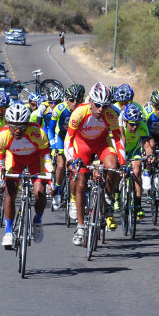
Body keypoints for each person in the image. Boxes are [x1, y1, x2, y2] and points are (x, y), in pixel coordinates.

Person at [64, 82, 125, 246]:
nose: (100, 109)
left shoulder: (111, 114)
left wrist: (123, 162)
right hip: (81, 144)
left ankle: (108, 197)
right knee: (81, 181)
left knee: (113, 167)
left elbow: (118, 139)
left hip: (101, 143)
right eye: (97, 105)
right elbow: (68, 139)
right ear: (90, 101)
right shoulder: (79, 112)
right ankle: (81, 226)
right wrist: (70, 160)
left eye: (104, 106)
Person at [0, 103, 52, 247]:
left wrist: (50, 180)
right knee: (10, 192)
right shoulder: (1, 137)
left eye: (22, 126)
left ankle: (37, 221)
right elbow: (0, 164)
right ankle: (8, 231)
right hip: (15, 160)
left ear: (28, 124)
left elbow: (46, 158)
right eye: (14, 126)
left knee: (40, 193)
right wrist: (1, 181)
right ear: (7, 124)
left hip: (35, 160)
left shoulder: (38, 132)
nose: (18, 130)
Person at [47, 83, 85, 209]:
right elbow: (51, 130)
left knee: (77, 166)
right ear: (66, 99)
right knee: (61, 164)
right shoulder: (59, 109)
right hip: (61, 137)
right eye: (71, 100)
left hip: (76, 138)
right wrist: (53, 147)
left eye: (78, 100)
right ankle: (57, 190)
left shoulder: (84, 109)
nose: (74, 103)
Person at [119, 103, 154, 219]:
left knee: (137, 170)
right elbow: (121, 143)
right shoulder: (120, 126)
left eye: (137, 124)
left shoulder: (142, 126)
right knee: (116, 172)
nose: (135, 127)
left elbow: (147, 144)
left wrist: (150, 155)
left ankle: (138, 204)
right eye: (132, 124)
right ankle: (115, 196)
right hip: (121, 149)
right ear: (125, 121)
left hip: (134, 151)